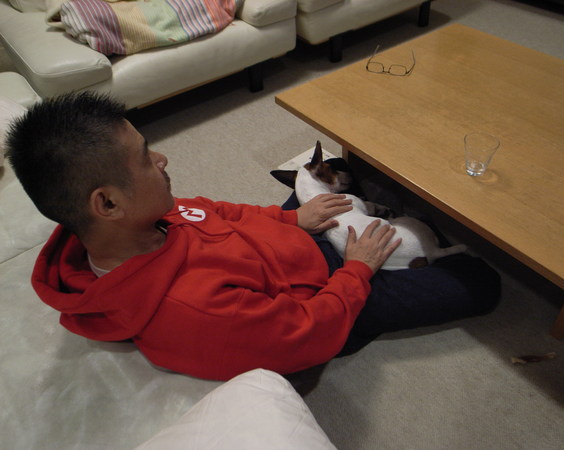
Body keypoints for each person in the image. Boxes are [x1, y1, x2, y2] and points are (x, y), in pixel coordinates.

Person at [6, 92, 500, 381]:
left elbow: (220, 210)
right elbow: (305, 333)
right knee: (481, 283)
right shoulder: (191, 311)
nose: (162, 159)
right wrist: (357, 270)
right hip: (326, 295)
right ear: (108, 203)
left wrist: (292, 220)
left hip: (280, 244)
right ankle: (395, 243)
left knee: (333, 170)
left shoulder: (141, 216)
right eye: (145, 157)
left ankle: (369, 218)